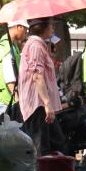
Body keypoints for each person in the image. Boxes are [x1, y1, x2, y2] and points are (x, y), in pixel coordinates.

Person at [18, 17, 66, 157]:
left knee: (56, 142)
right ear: (42, 27)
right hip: (38, 104)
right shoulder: (36, 46)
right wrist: (47, 103)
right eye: (51, 25)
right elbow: (37, 75)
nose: (53, 28)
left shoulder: (37, 45)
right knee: (41, 147)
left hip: (40, 103)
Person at [0, 19, 28, 121]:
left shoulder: (10, 44)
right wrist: (16, 98)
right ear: (19, 27)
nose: (26, 32)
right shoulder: (7, 46)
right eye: (25, 29)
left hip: (3, 95)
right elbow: (9, 75)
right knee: (5, 131)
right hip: (4, 97)